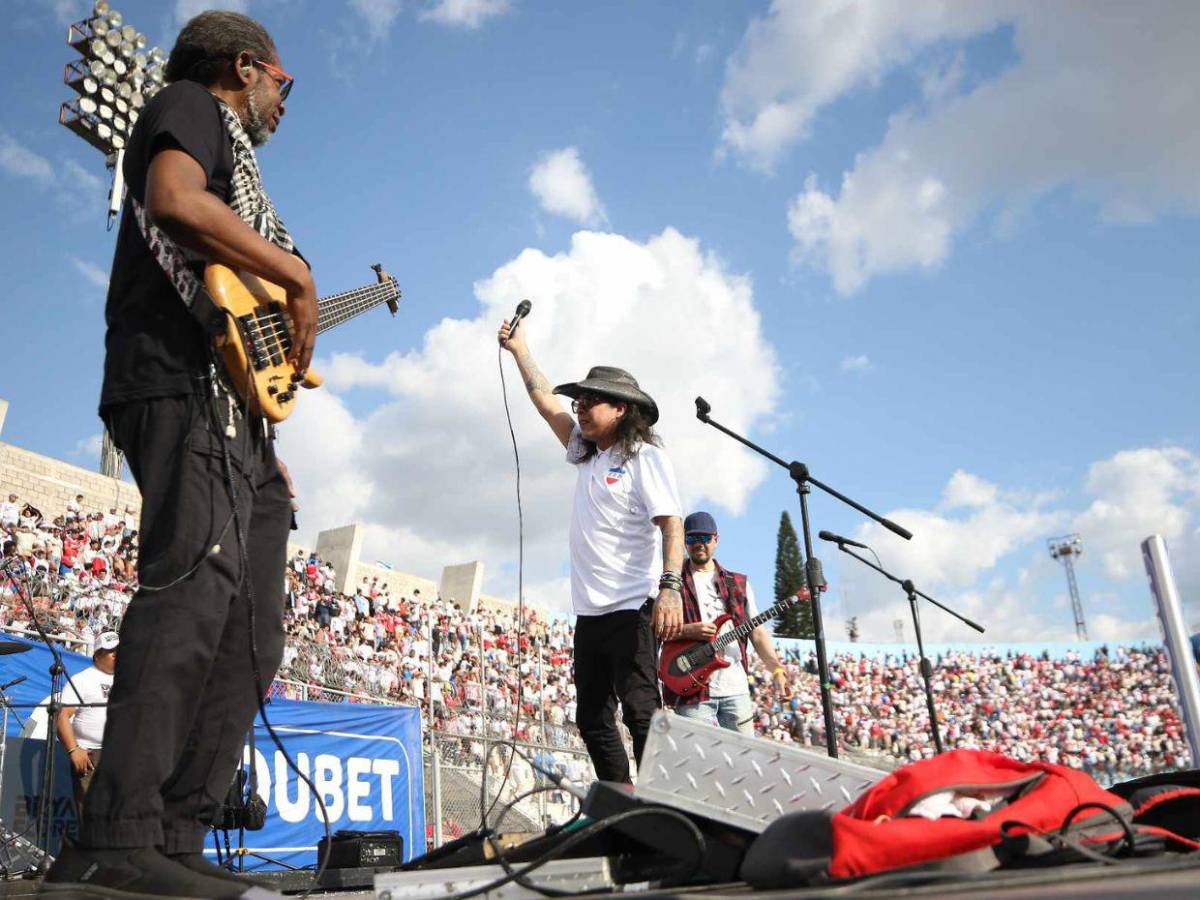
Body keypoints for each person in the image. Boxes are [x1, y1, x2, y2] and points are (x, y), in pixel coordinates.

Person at [44, 10, 311, 898]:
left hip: (237, 418)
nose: (285, 101)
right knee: (191, 597)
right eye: (284, 81)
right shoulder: (192, 103)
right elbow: (171, 199)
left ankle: (178, 835)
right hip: (175, 384)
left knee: (251, 633)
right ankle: (118, 836)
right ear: (246, 67)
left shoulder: (245, 158)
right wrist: (299, 277)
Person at [499, 318, 684, 783]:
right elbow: (546, 403)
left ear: (621, 408)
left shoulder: (645, 457)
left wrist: (670, 587)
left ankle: (662, 808)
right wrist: (521, 348)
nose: (579, 408)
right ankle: (620, 804)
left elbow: (671, 524)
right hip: (590, 613)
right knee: (592, 719)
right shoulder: (588, 453)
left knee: (641, 713)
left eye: (590, 400)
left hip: (632, 607)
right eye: (578, 400)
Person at [665, 511, 794, 734]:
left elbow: (758, 633)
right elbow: (656, 629)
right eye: (692, 538)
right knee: (700, 762)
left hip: (735, 688)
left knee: (744, 762)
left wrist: (777, 671)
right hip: (693, 689)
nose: (699, 544)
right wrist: (688, 630)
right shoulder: (672, 583)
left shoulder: (738, 583)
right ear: (684, 541)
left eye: (705, 538)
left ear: (716, 539)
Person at [56, 632, 119, 820]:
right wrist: (74, 749)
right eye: (111, 651)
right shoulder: (83, 679)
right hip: (92, 756)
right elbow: (61, 715)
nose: (117, 654)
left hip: (120, 754)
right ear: (97, 654)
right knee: (91, 817)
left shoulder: (128, 680)